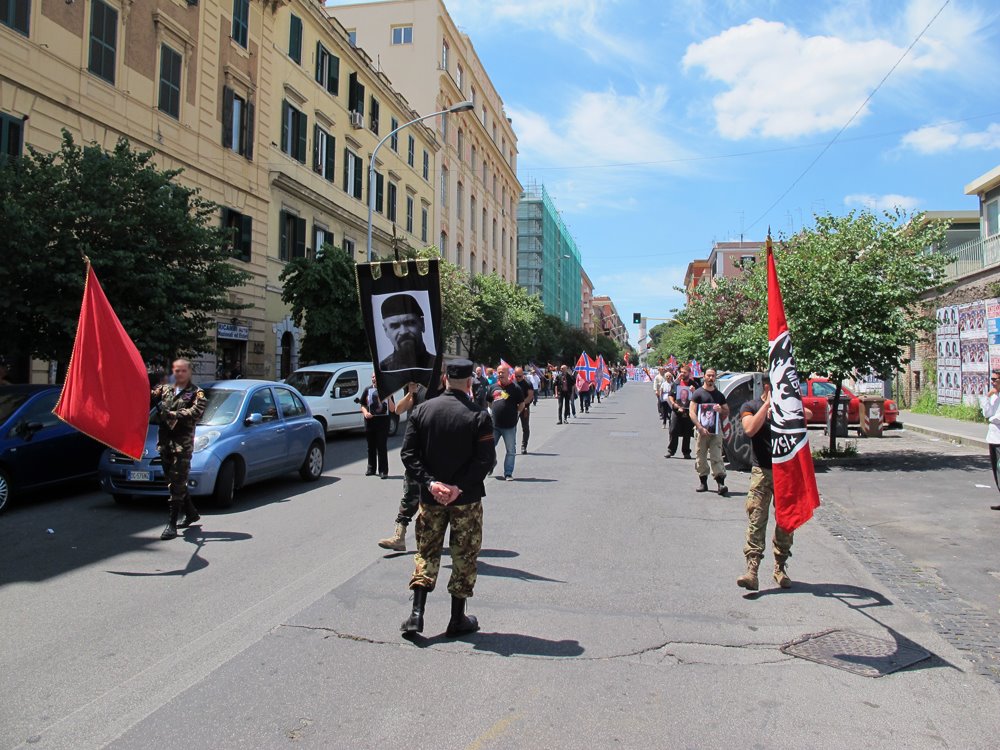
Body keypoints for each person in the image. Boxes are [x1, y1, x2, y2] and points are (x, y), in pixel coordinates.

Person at [399, 359, 496, 637]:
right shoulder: (479, 416)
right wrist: (458, 488)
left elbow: (408, 455)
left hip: (431, 499)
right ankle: (457, 618)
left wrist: (431, 483)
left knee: (426, 552)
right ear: (469, 383)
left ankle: (417, 615)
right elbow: (485, 460)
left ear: (444, 380)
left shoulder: (422, 411)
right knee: (464, 553)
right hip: (465, 500)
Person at [737, 375, 812, 590]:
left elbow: (807, 415)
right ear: (768, 387)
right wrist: (767, 405)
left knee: (786, 522)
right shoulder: (750, 405)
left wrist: (784, 409)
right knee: (756, 519)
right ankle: (752, 570)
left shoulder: (787, 407)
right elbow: (749, 428)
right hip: (762, 471)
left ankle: (780, 567)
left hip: (785, 472)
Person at [378, 379, 438, 551]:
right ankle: (399, 536)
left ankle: (433, 537)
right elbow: (398, 409)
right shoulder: (417, 389)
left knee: (435, 498)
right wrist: (411, 392)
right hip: (417, 451)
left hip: (436, 452)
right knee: (410, 494)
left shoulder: (443, 390)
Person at [151, 359, 207, 540]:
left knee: (176, 482)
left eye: (183, 371)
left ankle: (172, 523)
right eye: (176, 370)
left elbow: (196, 413)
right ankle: (191, 512)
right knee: (172, 481)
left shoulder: (197, 394)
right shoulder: (165, 389)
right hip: (165, 442)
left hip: (182, 445)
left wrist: (173, 414)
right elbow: (148, 394)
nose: (179, 374)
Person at [689, 367, 729, 496]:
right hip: (701, 431)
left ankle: (720, 483)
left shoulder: (719, 395)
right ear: (704, 376)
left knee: (717, 456)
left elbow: (726, 410)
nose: (711, 378)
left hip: (715, 431)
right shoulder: (698, 393)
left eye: (713, 376)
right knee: (700, 456)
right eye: (708, 375)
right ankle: (703, 482)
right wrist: (699, 427)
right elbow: (692, 412)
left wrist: (720, 410)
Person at [378, 294, 435, 372]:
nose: (404, 331)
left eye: (410, 323)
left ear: (422, 324)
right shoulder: (383, 370)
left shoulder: (437, 366)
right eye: (395, 326)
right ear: (386, 330)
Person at [489, 363, 525, 480]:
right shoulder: (493, 387)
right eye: (498, 372)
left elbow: (522, 404)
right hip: (495, 425)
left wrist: (517, 414)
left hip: (509, 426)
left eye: (502, 372)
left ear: (508, 374)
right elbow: (489, 401)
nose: (500, 374)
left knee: (510, 450)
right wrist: (492, 412)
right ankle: (492, 463)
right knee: (488, 447)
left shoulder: (515, 388)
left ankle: (508, 473)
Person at [360, 374, 396, 478]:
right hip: (370, 422)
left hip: (383, 423)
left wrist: (389, 397)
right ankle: (371, 468)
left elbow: (393, 409)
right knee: (370, 446)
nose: (373, 379)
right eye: (372, 377)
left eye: (375, 377)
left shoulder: (386, 390)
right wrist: (365, 413)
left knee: (381, 446)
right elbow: (362, 405)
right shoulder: (368, 390)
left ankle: (383, 471)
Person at [981, 369, 1000, 511]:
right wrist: (987, 396)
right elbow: (986, 413)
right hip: (993, 435)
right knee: (996, 470)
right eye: (992, 379)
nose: (992, 382)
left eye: (995, 380)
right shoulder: (993, 396)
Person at [666, 365, 695, 458]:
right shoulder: (676, 383)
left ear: (689, 373)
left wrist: (694, 391)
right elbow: (670, 395)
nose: (682, 374)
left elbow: (698, 397)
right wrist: (673, 404)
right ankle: (671, 450)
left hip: (688, 412)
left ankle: (686, 452)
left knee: (687, 432)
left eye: (684, 372)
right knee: (673, 430)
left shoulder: (693, 384)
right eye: (681, 372)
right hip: (677, 411)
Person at [514, 366, 535, 455]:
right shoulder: (513, 383)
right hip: (514, 409)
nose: (518, 378)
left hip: (525, 408)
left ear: (523, 375)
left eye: (519, 376)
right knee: (512, 428)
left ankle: (524, 446)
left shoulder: (528, 383)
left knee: (525, 427)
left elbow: (530, 397)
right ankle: (512, 446)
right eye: (516, 376)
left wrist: (521, 404)